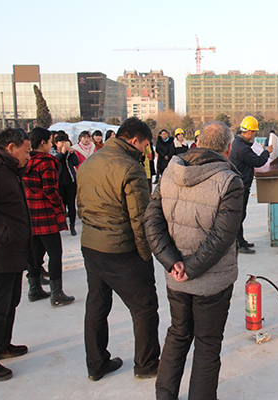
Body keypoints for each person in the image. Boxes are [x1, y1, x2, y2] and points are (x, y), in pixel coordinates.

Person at [145, 121, 243, 400]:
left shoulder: (170, 171)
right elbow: (223, 237)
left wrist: (172, 262)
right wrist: (186, 267)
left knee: (178, 334)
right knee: (207, 345)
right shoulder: (229, 181)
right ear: (228, 148)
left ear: (198, 143)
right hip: (210, 281)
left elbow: (151, 221)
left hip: (177, 277)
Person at [77, 117, 160, 381]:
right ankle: (146, 365)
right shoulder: (130, 168)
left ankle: (96, 364)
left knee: (97, 304)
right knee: (144, 307)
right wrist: (146, 255)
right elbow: (140, 219)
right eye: (145, 145)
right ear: (135, 141)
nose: (145, 151)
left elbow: (80, 207)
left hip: (92, 246)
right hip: (121, 250)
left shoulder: (88, 163)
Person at [0, 128, 32, 382]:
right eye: (26, 151)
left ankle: (2, 344)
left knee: (9, 302)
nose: (29, 157)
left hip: (12, 251)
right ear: (11, 148)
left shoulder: (9, 169)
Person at [23, 128, 75, 306]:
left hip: (30, 212)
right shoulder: (46, 162)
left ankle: (34, 289)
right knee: (55, 253)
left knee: (36, 252)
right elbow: (50, 189)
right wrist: (59, 205)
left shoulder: (26, 161)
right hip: (45, 213)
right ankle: (56, 293)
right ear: (43, 143)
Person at [229, 116, 272, 254]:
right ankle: (238, 244)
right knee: (239, 215)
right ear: (250, 132)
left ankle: (241, 241)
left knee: (241, 214)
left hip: (240, 184)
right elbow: (258, 161)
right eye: (254, 132)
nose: (254, 135)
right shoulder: (242, 148)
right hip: (240, 186)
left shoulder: (239, 143)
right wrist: (267, 151)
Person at [53, 132, 80, 236]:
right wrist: (62, 153)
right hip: (59, 183)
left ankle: (72, 225)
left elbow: (76, 163)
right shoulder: (54, 153)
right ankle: (62, 224)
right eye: (61, 142)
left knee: (71, 205)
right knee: (61, 205)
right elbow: (55, 161)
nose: (63, 144)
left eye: (65, 141)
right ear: (56, 143)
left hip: (70, 181)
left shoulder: (70, 152)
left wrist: (72, 153)